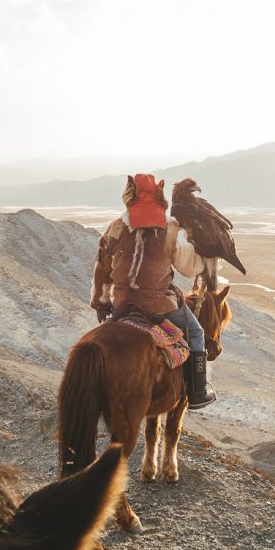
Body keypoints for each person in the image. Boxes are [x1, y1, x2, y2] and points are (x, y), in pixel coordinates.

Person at [90, 173, 216, 409]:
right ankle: (198, 392)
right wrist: (203, 259)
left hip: (122, 304)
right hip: (158, 307)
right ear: (159, 196)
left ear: (130, 196)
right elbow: (189, 268)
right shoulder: (169, 229)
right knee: (197, 334)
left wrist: (101, 302)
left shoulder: (115, 227)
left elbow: (102, 269)